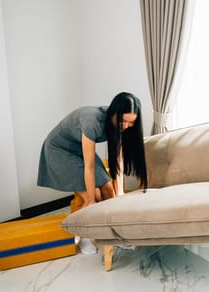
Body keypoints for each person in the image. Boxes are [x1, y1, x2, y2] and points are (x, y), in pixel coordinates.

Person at [38, 92, 148, 254]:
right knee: (94, 196)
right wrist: (90, 200)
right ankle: (85, 237)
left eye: (131, 123)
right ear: (114, 113)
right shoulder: (92, 122)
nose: (125, 126)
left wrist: (120, 191)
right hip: (59, 150)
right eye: (123, 121)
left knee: (109, 191)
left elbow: (118, 160)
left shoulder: (121, 126)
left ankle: (115, 236)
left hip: (79, 148)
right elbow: (89, 167)